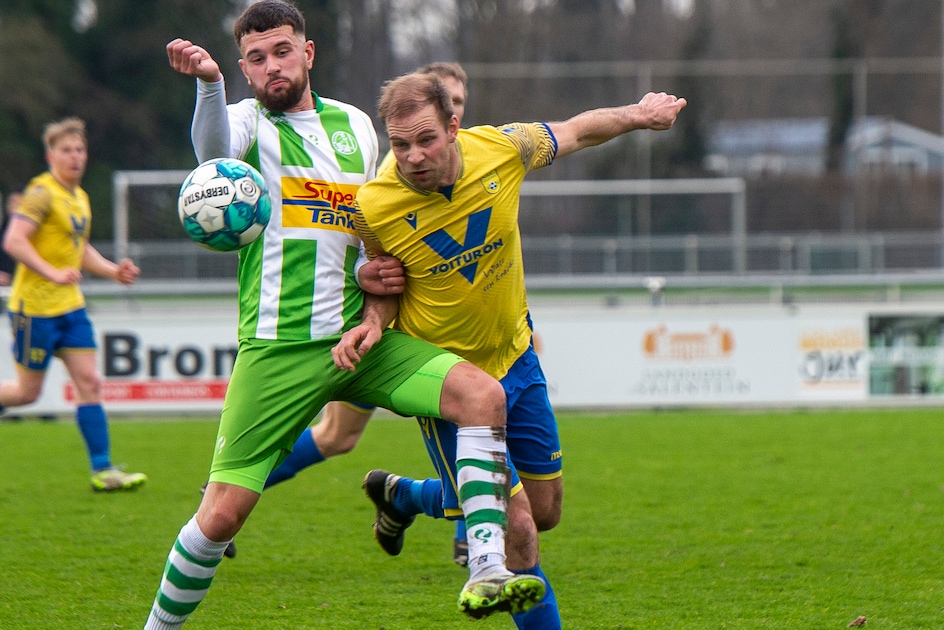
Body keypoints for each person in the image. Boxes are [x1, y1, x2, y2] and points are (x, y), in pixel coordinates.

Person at [153, 2, 543, 626]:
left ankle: (485, 566)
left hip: (364, 340)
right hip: (279, 346)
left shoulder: (360, 127)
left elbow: (378, 231)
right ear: (245, 70)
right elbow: (210, 160)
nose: (271, 66)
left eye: (282, 51)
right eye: (256, 58)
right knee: (222, 515)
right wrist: (208, 84)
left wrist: (374, 278)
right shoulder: (247, 123)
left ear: (307, 53)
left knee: (480, 395)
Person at [336, 71, 687, 630]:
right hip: (448, 382)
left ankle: (405, 496)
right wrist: (374, 319)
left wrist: (639, 115)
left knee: (545, 514)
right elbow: (381, 281)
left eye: (425, 139)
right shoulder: (374, 205)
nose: (413, 156)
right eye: (400, 144)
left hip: (517, 361)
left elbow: (576, 131)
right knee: (517, 526)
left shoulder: (502, 147)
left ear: (454, 126)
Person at [258, 61, 476, 566]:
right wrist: (366, 285)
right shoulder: (393, 179)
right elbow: (361, 250)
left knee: (475, 423)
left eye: (460, 102)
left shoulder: (474, 168)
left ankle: (432, 513)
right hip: (396, 333)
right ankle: (233, 484)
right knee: (337, 436)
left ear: (453, 118)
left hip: (460, 330)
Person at [0, 117, 148, 493]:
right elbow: (14, 241)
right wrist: (52, 272)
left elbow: (78, 251)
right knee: (27, 392)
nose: (75, 157)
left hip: (70, 308)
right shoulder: (41, 193)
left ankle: (103, 469)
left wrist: (114, 272)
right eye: (66, 150)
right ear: (51, 156)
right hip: (34, 309)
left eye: (80, 150)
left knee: (90, 382)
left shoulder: (80, 198)